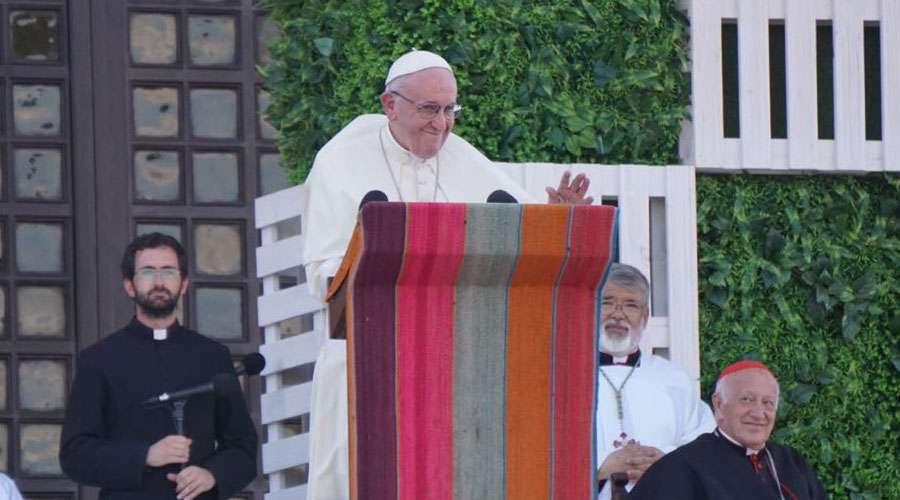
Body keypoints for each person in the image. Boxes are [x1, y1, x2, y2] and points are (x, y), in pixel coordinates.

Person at [302, 49, 594, 499]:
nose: (440, 124)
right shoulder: (341, 161)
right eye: (428, 109)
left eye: (449, 110)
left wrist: (554, 224)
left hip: (454, 366)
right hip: (367, 360)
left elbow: (509, 234)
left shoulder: (464, 159)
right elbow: (324, 273)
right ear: (389, 104)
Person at [60, 233, 257, 500]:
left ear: (184, 283)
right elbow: (75, 454)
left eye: (168, 271)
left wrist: (212, 474)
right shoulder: (98, 359)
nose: (159, 281)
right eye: (148, 271)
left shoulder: (213, 357)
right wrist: (145, 456)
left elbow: (242, 448)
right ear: (130, 285)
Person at [593, 263, 715, 498]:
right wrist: (600, 469)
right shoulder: (564, 378)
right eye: (607, 302)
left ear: (645, 316)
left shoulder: (673, 379)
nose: (618, 313)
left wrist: (668, 465)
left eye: (631, 305)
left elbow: (706, 449)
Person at [628, 360, 828, 500]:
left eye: (768, 403)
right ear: (719, 404)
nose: (759, 413)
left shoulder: (791, 461)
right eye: (746, 399)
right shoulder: (683, 466)